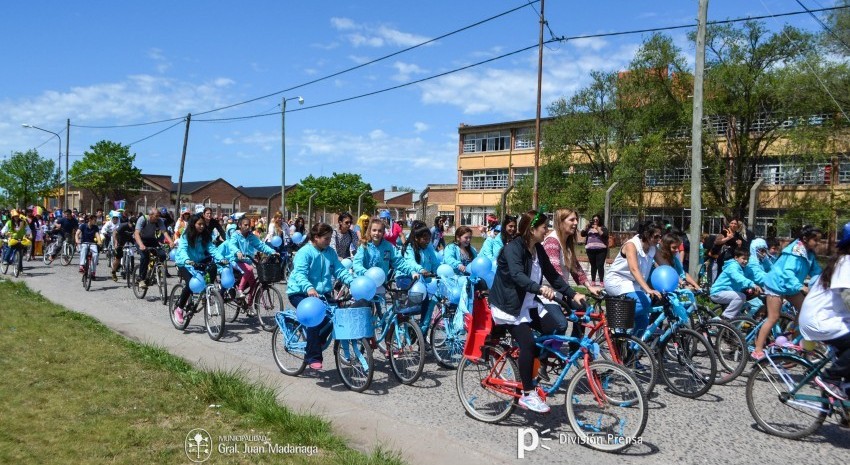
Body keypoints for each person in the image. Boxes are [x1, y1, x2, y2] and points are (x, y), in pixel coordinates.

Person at [488, 210, 585, 413]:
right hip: (509, 306)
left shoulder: (538, 249)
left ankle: (530, 366)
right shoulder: (513, 249)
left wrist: (572, 293)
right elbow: (517, 276)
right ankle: (528, 394)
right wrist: (539, 288)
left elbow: (553, 275)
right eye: (544, 228)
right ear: (532, 230)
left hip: (528, 303)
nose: (547, 231)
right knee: (529, 344)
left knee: (556, 326)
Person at [287, 223, 355, 370]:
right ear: (316, 237)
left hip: (322, 293)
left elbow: (339, 270)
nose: (329, 241)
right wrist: (309, 287)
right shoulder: (305, 252)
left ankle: (316, 341)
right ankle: (313, 356)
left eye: (330, 238)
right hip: (300, 292)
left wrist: (352, 282)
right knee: (314, 318)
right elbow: (299, 273)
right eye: (326, 238)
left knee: (335, 314)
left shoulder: (329, 252)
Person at [752, 226, 823, 359]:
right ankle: (758, 349)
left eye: (819, 240)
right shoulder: (794, 252)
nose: (818, 243)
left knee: (805, 310)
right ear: (805, 239)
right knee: (774, 317)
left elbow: (816, 272)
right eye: (816, 240)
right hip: (776, 285)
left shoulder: (809, 253)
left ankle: (793, 340)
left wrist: (825, 281)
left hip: (790, 287)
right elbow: (787, 272)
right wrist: (801, 287)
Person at [799, 222, 850, 400]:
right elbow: (848, 297)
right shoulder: (846, 263)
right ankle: (830, 378)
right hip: (820, 319)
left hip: (833, 318)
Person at [603, 221, 663, 337]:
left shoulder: (652, 248)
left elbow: (664, 265)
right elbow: (634, 269)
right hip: (617, 281)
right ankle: (614, 320)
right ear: (646, 234)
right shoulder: (631, 245)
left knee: (643, 322)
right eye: (656, 236)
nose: (659, 240)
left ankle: (631, 349)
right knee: (644, 302)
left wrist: (680, 281)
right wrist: (648, 290)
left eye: (660, 236)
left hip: (634, 283)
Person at [172, 214, 226, 325]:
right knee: (190, 284)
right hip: (184, 262)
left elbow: (212, 249)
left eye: (203, 224)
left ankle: (208, 292)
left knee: (213, 267)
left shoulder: (205, 236)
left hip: (199, 261)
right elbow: (182, 250)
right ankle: (179, 309)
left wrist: (222, 259)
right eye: (199, 224)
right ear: (193, 224)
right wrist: (187, 260)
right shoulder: (186, 235)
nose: (202, 226)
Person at [543, 209, 602, 296]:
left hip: (561, 292)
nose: (576, 223)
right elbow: (555, 273)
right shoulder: (552, 241)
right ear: (561, 222)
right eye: (572, 220)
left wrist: (590, 287)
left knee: (584, 306)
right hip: (548, 295)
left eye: (576, 219)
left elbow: (576, 268)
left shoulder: (567, 243)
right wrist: (572, 294)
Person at [223, 216, 278, 305]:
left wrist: (272, 251)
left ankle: (249, 305)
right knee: (249, 269)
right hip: (236, 260)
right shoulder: (235, 235)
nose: (248, 227)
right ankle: (240, 290)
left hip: (247, 261)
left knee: (253, 284)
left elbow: (261, 245)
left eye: (249, 225)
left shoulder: (251, 236)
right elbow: (232, 245)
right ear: (240, 225)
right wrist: (237, 252)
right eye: (245, 225)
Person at [353, 218, 420, 280]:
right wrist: (366, 273)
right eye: (374, 230)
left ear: (383, 233)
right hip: (364, 281)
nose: (377, 233)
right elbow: (357, 263)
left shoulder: (388, 246)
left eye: (380, 231)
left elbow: (399, 262)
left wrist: (412, 272)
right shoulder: (364, 246)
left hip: (381, 282)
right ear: (370, 231)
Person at [710, 248, 763, 319]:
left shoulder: (744, 268)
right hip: (718, 292)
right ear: (736, 258)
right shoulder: (732, 267)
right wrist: (752, 284)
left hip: (728, 293)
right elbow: (739, 278)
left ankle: (720, 325)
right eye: (743, 258)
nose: (746, 261)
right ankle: (724, 319)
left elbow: (754, 277)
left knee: (739, 319)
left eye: (747, 259)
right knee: (741, 297)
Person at [402, 223, 439, 321]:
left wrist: (438, 272)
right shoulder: (410, 248)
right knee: (414, 305)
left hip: (422, 279)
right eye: (425, 239)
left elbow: (435, 262)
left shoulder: (428, 248)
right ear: (417, 238)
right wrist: (421, 270)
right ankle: (406, 323)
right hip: (406, 277)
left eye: (429, 239)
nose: (427, 241)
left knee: (426, 304)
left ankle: (421, 329)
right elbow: (410, 262)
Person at [134, 207, 173, 288]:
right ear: (150, 215)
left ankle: (155, 272)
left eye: (159, 216)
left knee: (162, 255)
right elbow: (136, 234)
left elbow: (164, 232)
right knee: (145, 257)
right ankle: (141, 279)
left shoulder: (159, 221)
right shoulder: (142, 219)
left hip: (151, 239)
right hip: (141, 240)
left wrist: (171, 242)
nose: (158, 218)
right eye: (156, 216)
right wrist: (141, 245)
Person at [580, 214, 609, 287]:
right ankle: (593, 281)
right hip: (590, 249)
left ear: (599, 220)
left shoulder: (603, 227)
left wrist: (598, 229)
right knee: (593, 265)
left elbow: (605, 235)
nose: (595, 221)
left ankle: (601, 281)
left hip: (601, 250)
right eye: (594, 220)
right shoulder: (589, 228)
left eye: (597, 220)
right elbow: (582, 234)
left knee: (600, 265)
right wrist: (586, 227)